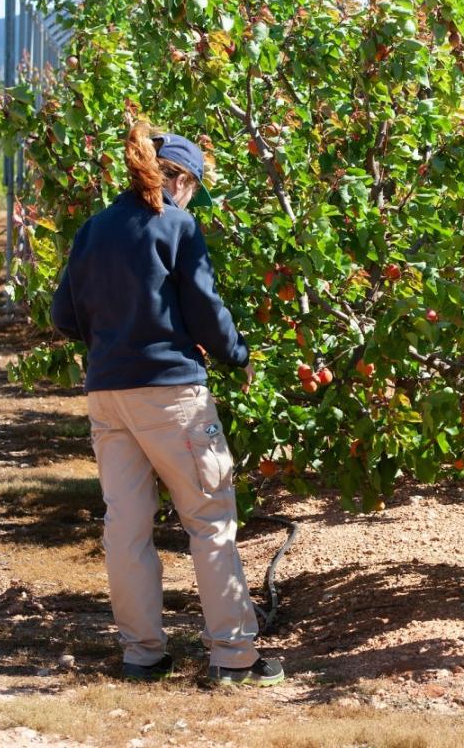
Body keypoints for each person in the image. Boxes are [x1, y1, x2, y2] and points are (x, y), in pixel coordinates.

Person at [51, 123, 283, 686]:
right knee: (209, 520)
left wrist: (111, 338)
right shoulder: (176, 225)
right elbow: (204, 305)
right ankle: (234, 658)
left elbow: (63, 315)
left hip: (108, 395)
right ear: (180, 180)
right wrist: (237, 354)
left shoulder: (93, 230)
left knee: (126, 527)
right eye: (194, 187)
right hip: (172, 394)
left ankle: (142, 655)